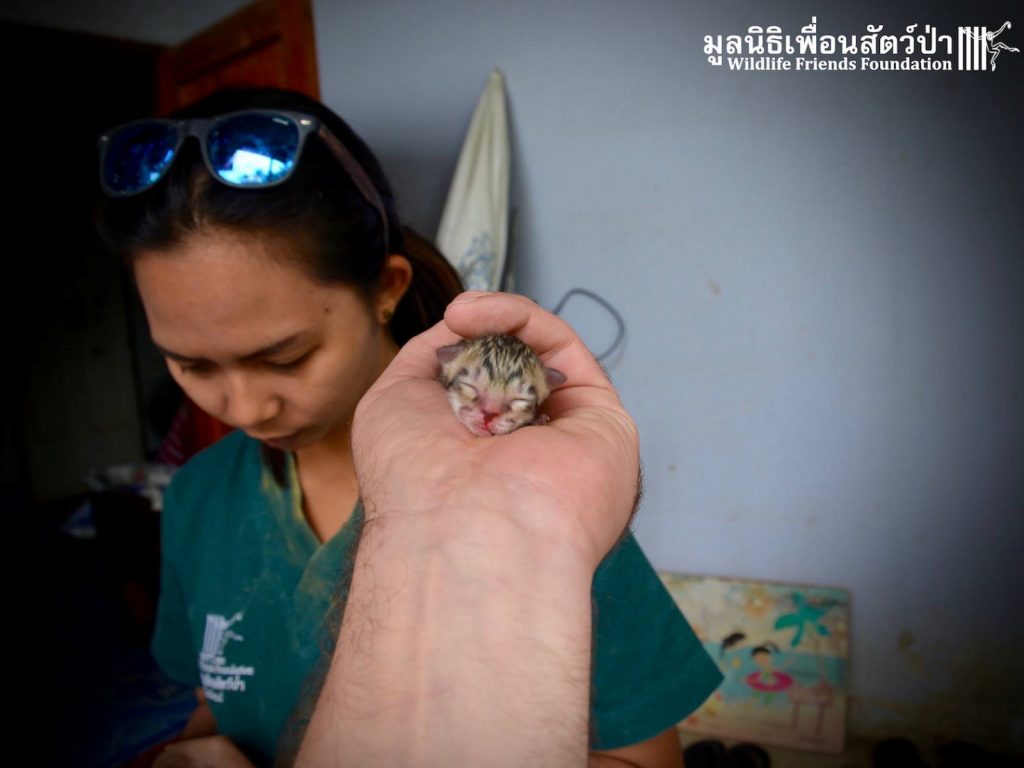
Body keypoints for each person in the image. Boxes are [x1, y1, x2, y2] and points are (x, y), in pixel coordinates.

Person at [94, 87, 723, 767]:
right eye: (189, 365)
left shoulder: (536, 492)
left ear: (387, 288)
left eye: (285, 357)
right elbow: (220, 702)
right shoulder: (196, 498)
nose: (243, 411)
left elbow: (646, 759)